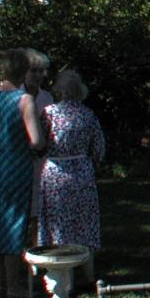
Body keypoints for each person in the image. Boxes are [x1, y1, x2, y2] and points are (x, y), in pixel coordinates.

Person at [0, 48, 44, 298]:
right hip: (16, 167)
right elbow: (36, 140)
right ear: (24, 71)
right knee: (14, 223)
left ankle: (1, 282)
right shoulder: (24, 100)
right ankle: (14, 286)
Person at [38, 69, 105, 285]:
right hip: (82, 173)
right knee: (85, 224)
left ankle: (64, 280)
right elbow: (99, 148)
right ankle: (89, 275)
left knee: (59, 226)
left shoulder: (48, 113)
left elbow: (39, 144)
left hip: (56, 173)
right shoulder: (88, 114)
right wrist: (89, 164)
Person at [24, 49, 54, 235]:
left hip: (41, 161)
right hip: (17, 159)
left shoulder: (47, 98)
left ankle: (35, 258)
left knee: (38, 213)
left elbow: (50, 130)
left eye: (41, 71)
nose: (37, 75)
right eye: (33, 70)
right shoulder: (14, 96)